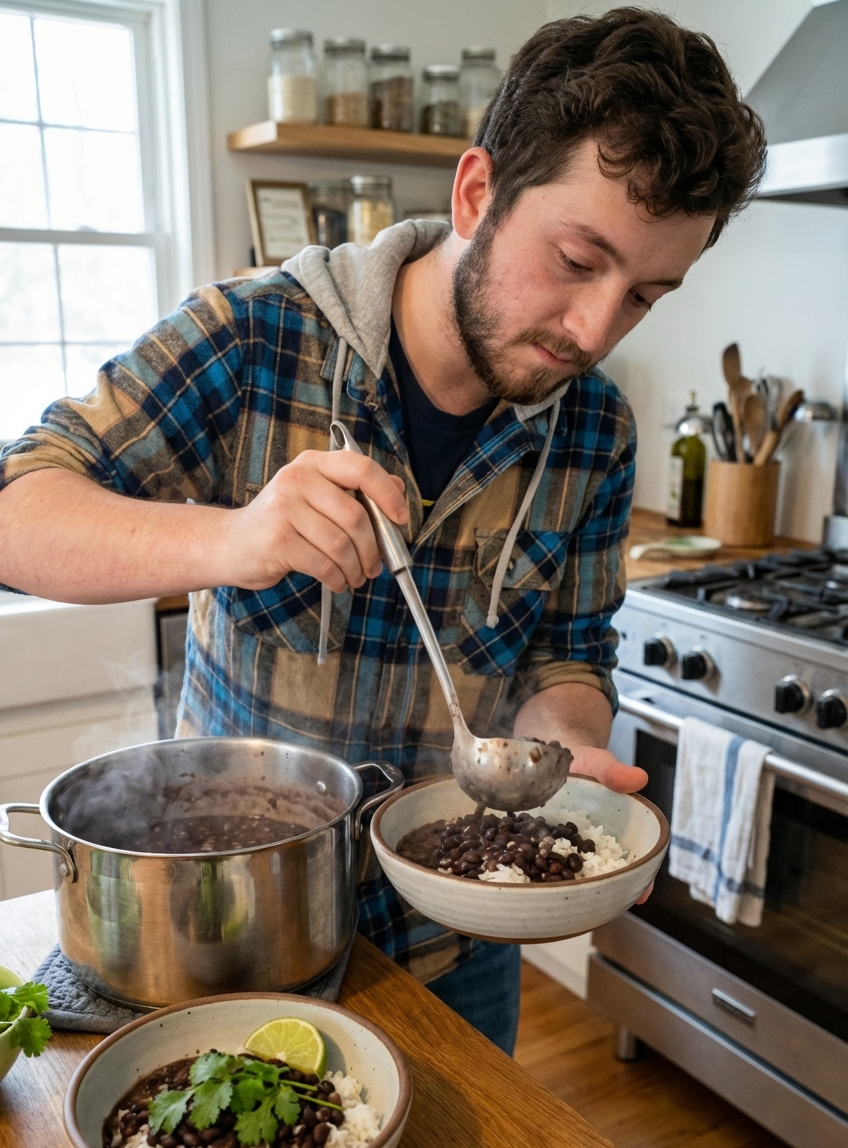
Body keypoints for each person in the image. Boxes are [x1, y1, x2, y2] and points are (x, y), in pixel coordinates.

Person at [0, 9, 765, 1054]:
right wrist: (230, 540)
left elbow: (567, 652)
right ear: (475, 192)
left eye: (641, 294)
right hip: (234, 935)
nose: (592, 331)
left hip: (457, 935)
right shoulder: (253, 340)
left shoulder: (594, 429)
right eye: (576, 259)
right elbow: (16, 509)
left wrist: (568, 739)